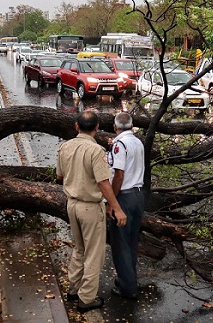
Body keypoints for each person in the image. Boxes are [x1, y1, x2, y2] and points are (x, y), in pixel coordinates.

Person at [56, 111, 127, 313]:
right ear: (97, 128)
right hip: (89, 206)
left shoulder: (64, 147)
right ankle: (86, 298)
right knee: (94, 253)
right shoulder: (96, 151)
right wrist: (116, 207)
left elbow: (60, 176)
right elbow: (103, 183)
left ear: (76, 127)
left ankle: (73, 289)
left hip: (72, 204)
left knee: (79, 248)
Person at [107, 112, 145, 300]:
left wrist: (112, 202)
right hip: (138, 196)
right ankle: (130, 278)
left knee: (120, 244)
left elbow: (119, 175)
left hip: (124, 197)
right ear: (132, 125)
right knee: (131, 242)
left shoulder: (119, 144)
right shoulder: (137, 142)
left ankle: (127, 288)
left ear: (115, 127)